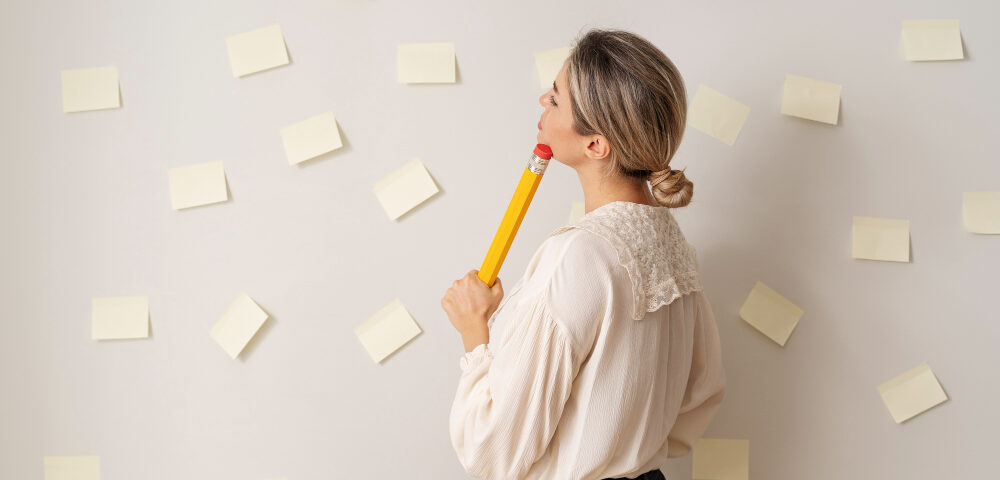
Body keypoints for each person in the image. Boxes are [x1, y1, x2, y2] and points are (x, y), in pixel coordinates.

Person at [441, 28, 726, 480]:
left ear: (596, 145)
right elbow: (701, 397)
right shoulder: (673, 244)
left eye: (555, 99)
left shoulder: (577, 256)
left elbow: (492, 449)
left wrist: (474, 331)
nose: (541, 101)